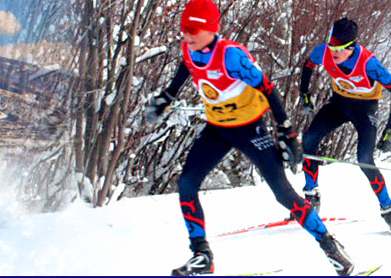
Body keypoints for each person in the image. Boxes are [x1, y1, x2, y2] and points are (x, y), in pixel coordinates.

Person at [145, 0, 354, 275]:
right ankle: (202, 255)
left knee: (282, 192)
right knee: (186, 184)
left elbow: (268, 87)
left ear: (211, 29)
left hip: (249, 129)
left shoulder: (231, 57)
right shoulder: (190, 47)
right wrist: (168, 96)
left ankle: (329, 244)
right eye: (185, 29)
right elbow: (187, 66)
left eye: (195, 30)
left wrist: (287, 131)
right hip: (217, 128)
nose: (188, 35)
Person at [298, 18, 391, 236]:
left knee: (364, 159)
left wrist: (390, 130)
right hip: (339, 102)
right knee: (309, 140)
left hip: (365, 108)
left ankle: (389, 209)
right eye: (331, 46)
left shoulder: (368, 63)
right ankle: (311, 195)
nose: (333, 52)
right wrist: (304, 95)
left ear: (352, 46)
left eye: (339, 49)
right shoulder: (324, 51)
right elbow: (308, 64)